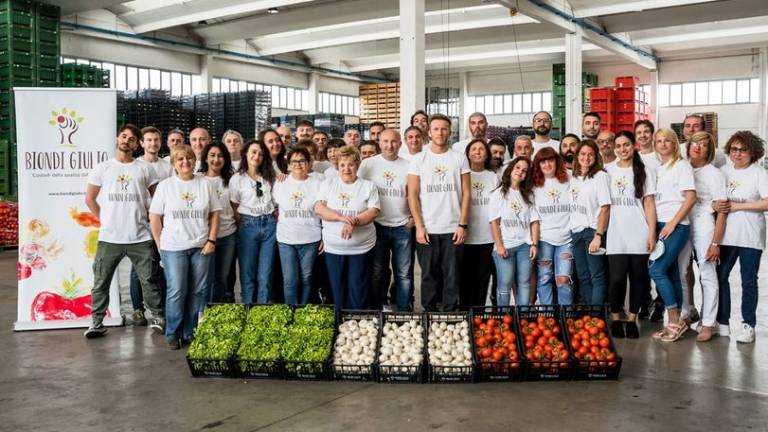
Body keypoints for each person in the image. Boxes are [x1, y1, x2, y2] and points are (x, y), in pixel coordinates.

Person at [84, 125, 164, 338]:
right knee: (101, 282)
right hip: (109, 238)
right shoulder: (103, 168)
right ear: (117, 138)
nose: (126, 141)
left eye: (131, 139)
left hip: (140, 236)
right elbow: (90, 199)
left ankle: (158, 317)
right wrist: (105, 220)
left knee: (149, 280)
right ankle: (96, 322)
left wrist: (150, 217)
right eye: (124, 136)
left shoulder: (145, 169)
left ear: (137, 144)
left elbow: (157, 201)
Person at [149, 145, 221, 349]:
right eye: (180, 159)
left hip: (201, 246)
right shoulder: (165, 186)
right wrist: (160, 245)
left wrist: (212, 240)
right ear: (173, 163)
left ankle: (191, 331)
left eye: (189, 158)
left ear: (195, 161)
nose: (185, 162)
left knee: (198, 291)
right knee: (177, 290)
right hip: (173, 247)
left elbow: (215, 214)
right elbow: (154, 216)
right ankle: (173, 332)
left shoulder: (205, 184)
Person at [408, 114, 470, 312]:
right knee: (428, 275)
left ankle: (450, 313)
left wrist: (462, 225)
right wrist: (419, 226)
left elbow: (467, 193)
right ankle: (429, 312)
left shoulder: (459, 158)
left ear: (449, 132)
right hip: (428, 228)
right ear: (429, 132)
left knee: (452, 275)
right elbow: (413, 194)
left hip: (453, 227)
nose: (440, 132)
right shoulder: (419, 159)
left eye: (444, 129)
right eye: (436, 129)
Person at [715, 131, 768, 344]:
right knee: (720, 276)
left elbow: (766, 202)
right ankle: (723, 321)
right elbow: (713, 197)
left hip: (750, 236)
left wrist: (738, 207)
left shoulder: (758, 173)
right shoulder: (723, 171)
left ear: (752, 152)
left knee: (748, 281)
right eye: (734, 149)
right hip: (726, 235)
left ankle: (748, 324)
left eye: (743, 150)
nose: (738, 154)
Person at [315, 146, 380, 311]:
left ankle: (356, 322)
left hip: (361, 248)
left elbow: (373, 211)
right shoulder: (328, 184)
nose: (346, 168)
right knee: (336, 288)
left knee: (358, 288)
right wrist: (342, 218)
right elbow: (319, 208)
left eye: (351, 164)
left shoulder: (368, 186)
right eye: (342, 165)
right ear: (337, 166)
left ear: (357, 165)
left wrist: (354, 221)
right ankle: (339, 322)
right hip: (333, 247)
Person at [605, 131, 656, 338]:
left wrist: (651, 233)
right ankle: (616, 317)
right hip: (615, 232)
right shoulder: (607, 171)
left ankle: (633, 319)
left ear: (633, 146)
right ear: (614, 148)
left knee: (638, 279)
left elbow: (649, 203)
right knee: (616, 279)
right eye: (618, 146)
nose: (622, 149)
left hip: (639, 232)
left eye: (626, 145)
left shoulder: (644, 171)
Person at [649, 128, 697, 343]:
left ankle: (674, 318)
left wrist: (672, 223)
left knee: (657, 269)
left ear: (675, 143)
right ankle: (675, 324)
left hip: (676, 226)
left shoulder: (681, 166)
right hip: (661, 224)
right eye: (658, 141)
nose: (662, 144)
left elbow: (690, 198)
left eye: (667, 140)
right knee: (671, 272)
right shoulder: (660, 168)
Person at [358, 129, 413, 311]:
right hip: (377, 225)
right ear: (379, 143)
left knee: (403, 273)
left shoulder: (410, 164)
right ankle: (378, 307)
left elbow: (417, 194)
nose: (390, 145)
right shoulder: (368, 165)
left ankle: (404, 312)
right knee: (378, 271)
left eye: (394, 141)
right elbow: (358, 191)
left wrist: (413, 217)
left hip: (402, 226)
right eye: (386, 141)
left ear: (400, 143)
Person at [682, 131, 727, 342]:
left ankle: (709, 323)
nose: (698, 147)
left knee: (707, 273)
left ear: (709, 151)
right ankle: (685, 313)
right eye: (695, 142)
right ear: (688, 144)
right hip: (682, 222)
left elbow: (722, 211)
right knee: (681, 272)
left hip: (703, 223)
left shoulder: (713, 173)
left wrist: (716, 242)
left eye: (704, 144)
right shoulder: (682, 168)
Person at [128, 126, 172, 326]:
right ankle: (138, 309)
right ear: (141, 143)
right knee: (140, 268)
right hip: (142, 225)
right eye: (149, 140)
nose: (153, 143)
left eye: (156, 139)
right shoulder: (134, 166)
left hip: (165, 224)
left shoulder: (167, 167)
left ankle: (160, 308)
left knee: (162, 265)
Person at [273, 147, 324, 305]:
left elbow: (323, 210)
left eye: (302, 161)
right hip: (286, 239)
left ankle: (303, 311)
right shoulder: (281, 183)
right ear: (288, 164)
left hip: (311, 238)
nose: (298, 164)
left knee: (307, 277)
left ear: (309, 163)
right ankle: (291, 311)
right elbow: (275, 208)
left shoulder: (318, 183)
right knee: (290, 280)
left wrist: (324, 235)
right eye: (294, 161)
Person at [230, 139, 277, 305]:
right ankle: (248, 307)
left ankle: (262, 309)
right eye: (253, 152)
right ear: (246, 154)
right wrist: (245, 222)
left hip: (270, 225)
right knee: (247, 272)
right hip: (248, 225)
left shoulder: (270, 176)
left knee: (265, 273)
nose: (257, 156)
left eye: (260, 153)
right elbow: (234, 205)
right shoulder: (237, 179)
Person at [490, 157, 540, 305]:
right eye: (518, 168)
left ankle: (522, 319)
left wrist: (534, 244)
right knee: (505, 284)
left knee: (524, 283)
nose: (520, 172)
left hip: (524, 246)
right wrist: (499, 246)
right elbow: (494, 223)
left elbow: (534, 222)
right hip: (505, 246)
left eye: (524, 171)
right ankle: (503, 320)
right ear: (511, 169)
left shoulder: (529, 195)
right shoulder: (498, 194)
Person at [569, 140, 611, 306]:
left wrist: (598, 236)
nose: (586, 158)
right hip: (576, 232)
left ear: (596, 156)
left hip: (592, 231)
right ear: (577, 156)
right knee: (583, 276)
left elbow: (605, 208)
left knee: (597, 276)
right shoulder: (573, 178)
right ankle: (588, 317)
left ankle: (596, 318)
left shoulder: (600, 176)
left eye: (590, 154)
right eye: (583, 154)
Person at [459, 139, 499, 309]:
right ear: (467, 153)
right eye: (473, 149)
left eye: (481, 149)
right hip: (466, 237)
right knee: (465, 278)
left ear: (487, 153)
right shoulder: (462, 175)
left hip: (487, 237)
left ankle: (479, 312)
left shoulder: (493, 177)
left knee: (483, 279)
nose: (477, 152)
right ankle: (464, 314)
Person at [531, 147, 573, 305]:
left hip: (566, 239)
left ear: (557, 161)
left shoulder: (569, 178)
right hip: (544, 239)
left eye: (550, 160)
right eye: (543, 162)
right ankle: (547, 317)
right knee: (544, 278)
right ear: (538, 164)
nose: (547, 164)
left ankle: (565, 318)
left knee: (563, 280)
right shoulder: (534, 184)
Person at [199, 142, 237, 305]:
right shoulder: (198, 180)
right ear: (206, 158)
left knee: (222, 278)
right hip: (205, 237)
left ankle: (218, 311)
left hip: (228, 235)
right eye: (212, 155)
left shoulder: (231, 180)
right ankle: (202, 312)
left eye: (220, 156)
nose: (216, 159)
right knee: (205, 278)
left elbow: (236, 207)